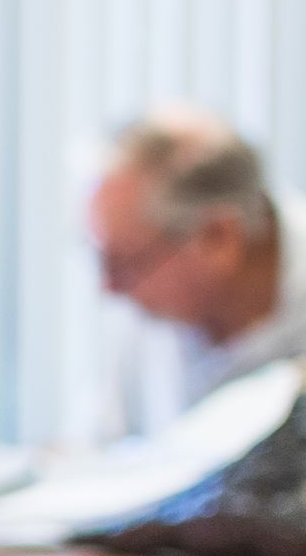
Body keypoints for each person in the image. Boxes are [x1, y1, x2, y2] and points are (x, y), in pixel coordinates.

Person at [89, 108, 306, 440]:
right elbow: (105, 449)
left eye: (126, 264)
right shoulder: (147, 312)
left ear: (219, 237)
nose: (110, 287)